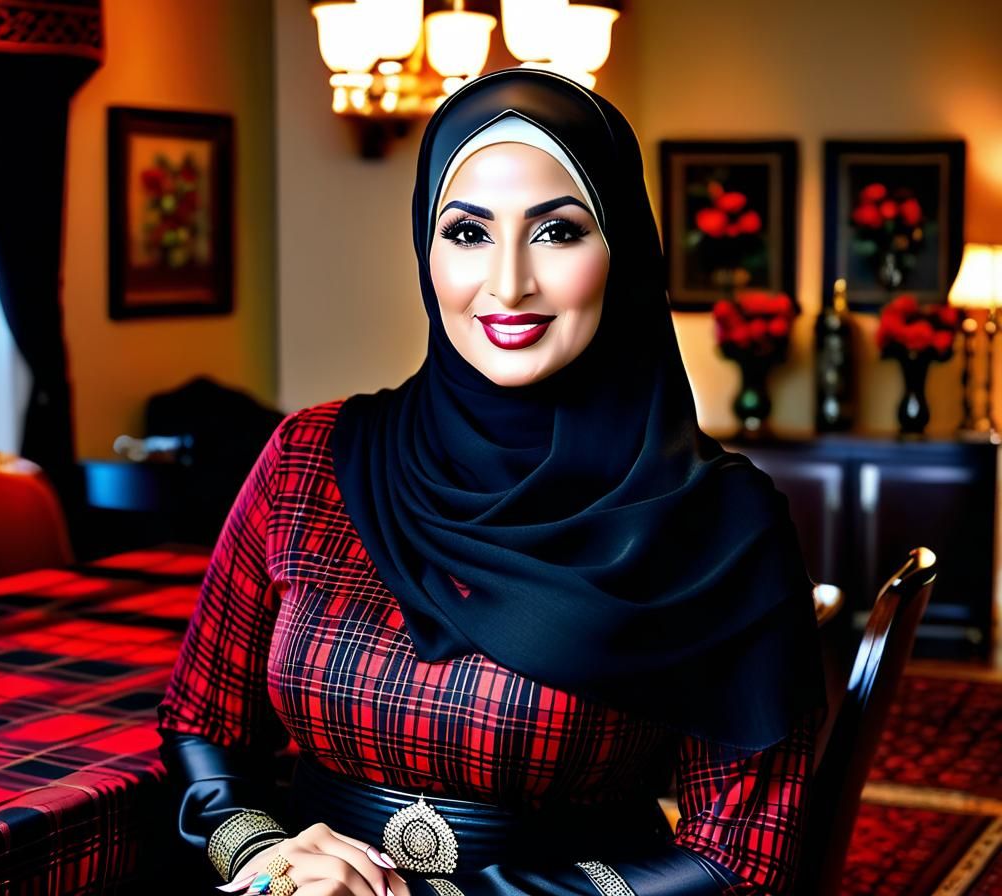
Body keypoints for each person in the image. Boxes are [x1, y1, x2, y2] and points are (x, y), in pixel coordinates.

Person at [158, 69, 825, 896]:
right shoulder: (308, 457)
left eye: (558, 233)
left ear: (625, 248)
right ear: (424, 250)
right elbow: (201, 721)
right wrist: (260, 854)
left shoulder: (721, 523)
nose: (508, 283)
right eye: (469, 233)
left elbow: (740, 862)